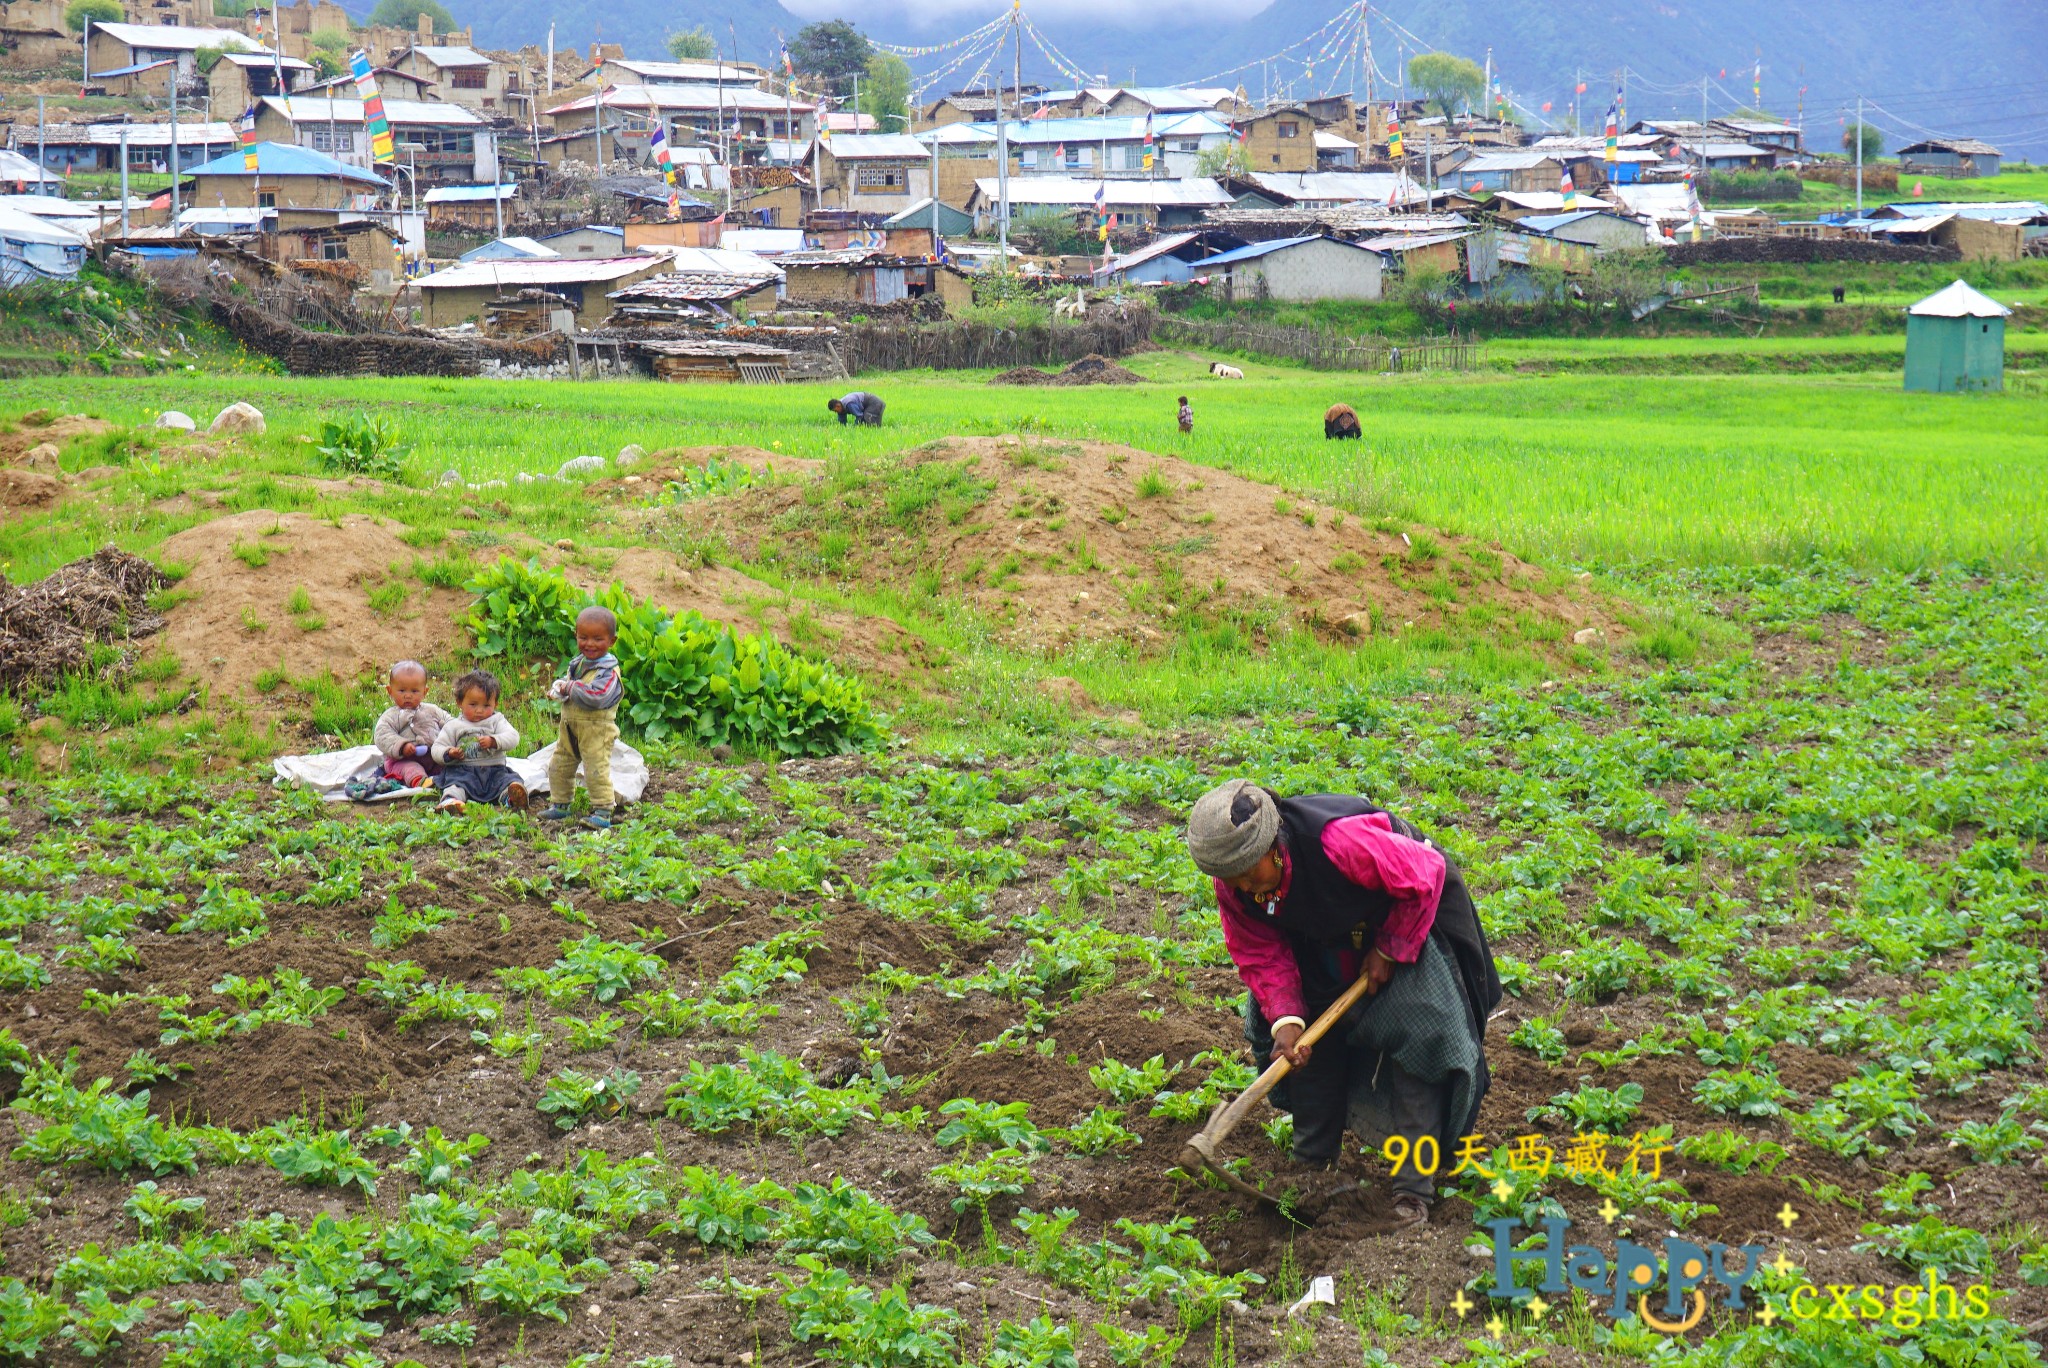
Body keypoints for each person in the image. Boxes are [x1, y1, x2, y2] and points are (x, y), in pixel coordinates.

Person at [1185, 779, 1500, 1228]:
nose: (1247, 888)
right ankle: (1312, 1167)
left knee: (1421, 1038)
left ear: (1274, 846)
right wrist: (1286, 1020)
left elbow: (1425, 873)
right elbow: (1260, 951)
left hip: (1407, 915)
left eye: (1252, 873)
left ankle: (1412, 1192)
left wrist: (1389, 947)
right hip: (1320, 937)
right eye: (1235, 880)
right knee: (1308, 1049)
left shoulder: (1337, 842)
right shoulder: (1236, 884)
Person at [540, 606, 624, 830]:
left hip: (597, 730)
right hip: (570, 728)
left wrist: (570, 687)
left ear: (612, 641)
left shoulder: (608, 671)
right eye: (583, 637)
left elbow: (596, 696)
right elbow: (572, 690)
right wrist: (560, 690)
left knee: (595, 769)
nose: (590, 644)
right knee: (559, 765)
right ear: (576, 635)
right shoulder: (578, 663)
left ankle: (603, 810)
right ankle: (560, 803)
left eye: (598, 639)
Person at [431, 670, 525, 814]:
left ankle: (510, 798)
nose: (479, 711)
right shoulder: (454, 726)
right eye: (473, 704)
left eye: (486, 706)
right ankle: (451, 801)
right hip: (464, 771)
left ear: (495, 704)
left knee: (508, 780)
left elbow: (513, 737)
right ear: (459, 702)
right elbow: (437, 748)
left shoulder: (497, 720)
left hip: (494, 770)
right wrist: (449, 753)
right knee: (456, 784)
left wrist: (494, 741)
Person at [357, 659, 447, 800]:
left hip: (432, 756)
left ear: (425, 692)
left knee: (448, 765)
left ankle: (449, 779)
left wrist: (454, 738)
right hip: (401, 760)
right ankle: (421, 782)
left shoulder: (432, 710)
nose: (408, 695)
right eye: (402, 690)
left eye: (414, 691)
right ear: (390, 691)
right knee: (410, 768)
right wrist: (402, 746)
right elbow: (383, 735)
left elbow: (449, 723)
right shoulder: (391, 716)